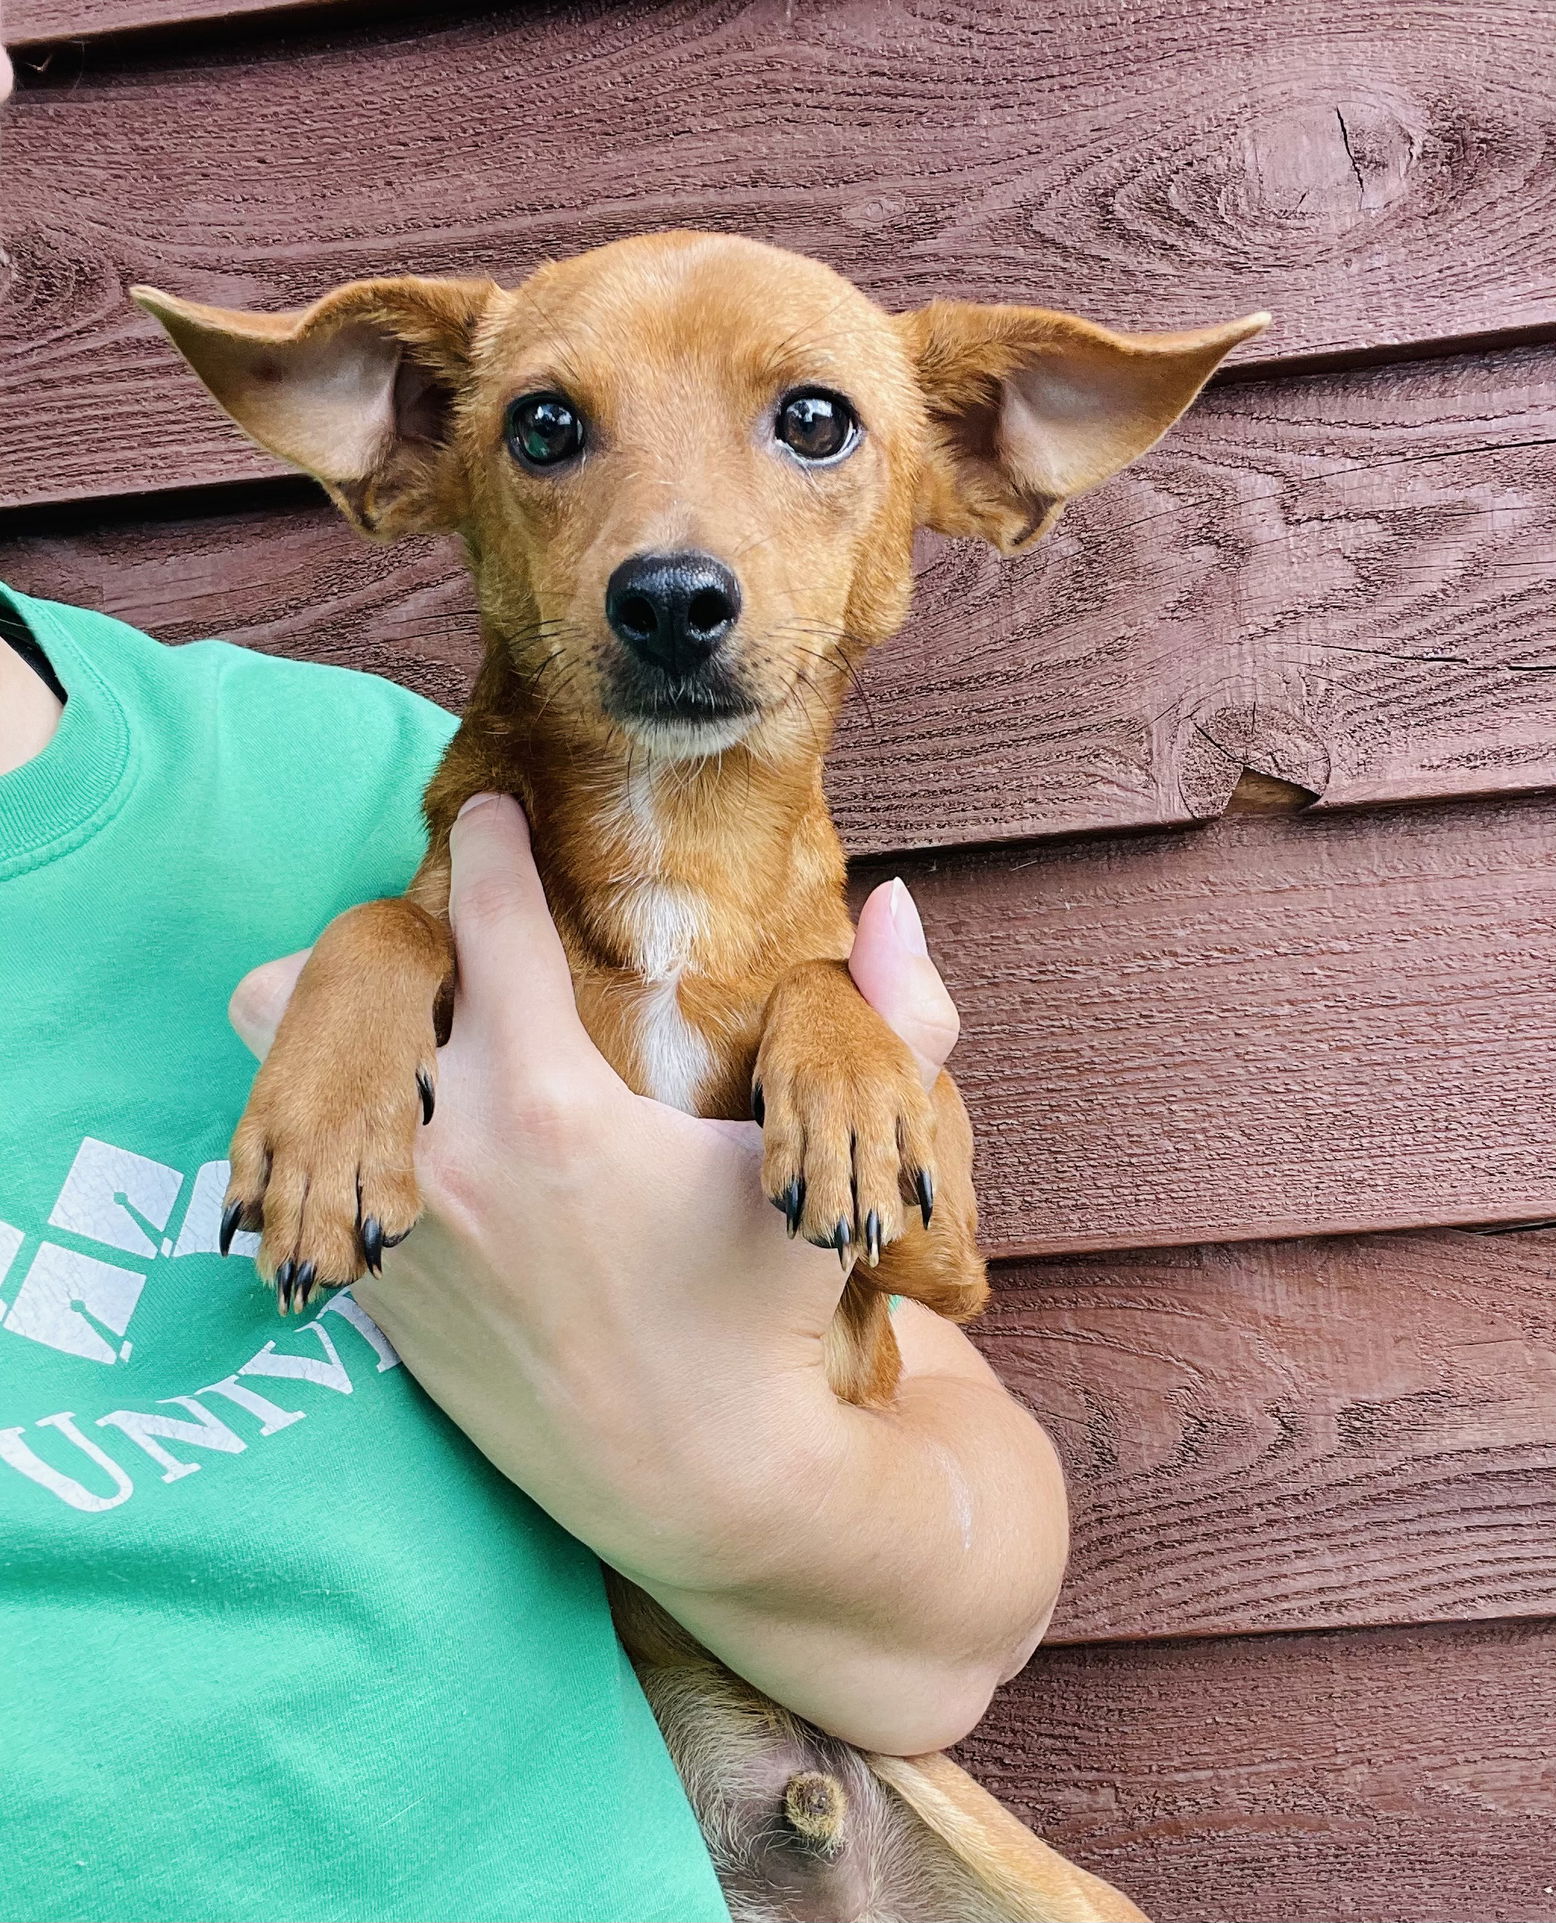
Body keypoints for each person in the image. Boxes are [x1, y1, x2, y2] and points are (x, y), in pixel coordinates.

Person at [0, 49, 1068, 1923]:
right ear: (415, 447)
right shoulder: (395, 901)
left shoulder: (336, 781)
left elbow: (942, 1382)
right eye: (554, 434)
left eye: (812, 425)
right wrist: (368, 969)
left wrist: (692, 1413)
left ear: (974, 461)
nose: (675, 561)